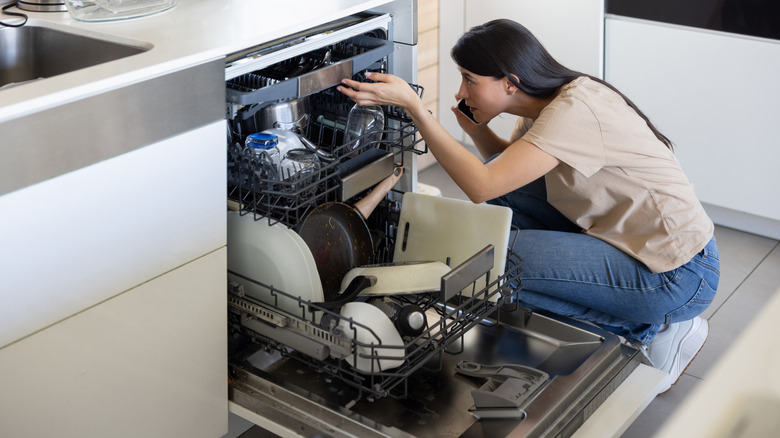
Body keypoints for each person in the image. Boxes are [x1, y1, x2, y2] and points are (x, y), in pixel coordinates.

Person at [337, 19, 719, 393]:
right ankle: (636, 315)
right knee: (496, 220)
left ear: (509, 82)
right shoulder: (547, 104)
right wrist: (476, 129)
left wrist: (416, 110)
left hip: (676, 272)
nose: (461, 91)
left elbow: (480, 185)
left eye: (470, 79)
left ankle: (653, 327)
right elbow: (507, 175)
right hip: (631, 239)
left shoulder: (573, 112)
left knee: (496, 266)